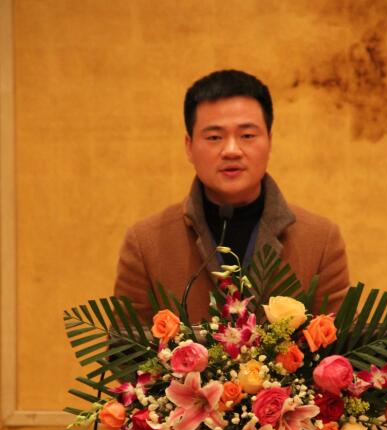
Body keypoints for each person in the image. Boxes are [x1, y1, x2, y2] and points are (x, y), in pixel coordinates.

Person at [114, 69, 349, 325]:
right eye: (214, 137)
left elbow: (344, 343)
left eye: (247, 135)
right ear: (189, 146)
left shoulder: (320, 240)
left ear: (269, 142)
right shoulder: (146, 244)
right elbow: (125, 346)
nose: (231, 150)